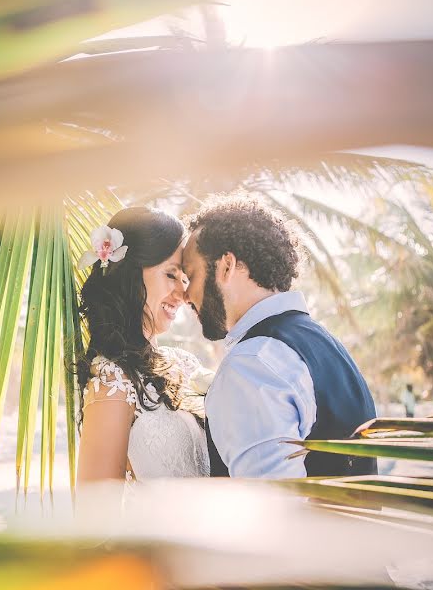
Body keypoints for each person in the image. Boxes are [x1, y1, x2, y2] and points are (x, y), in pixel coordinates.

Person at [181, 195, 377, 479]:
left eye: (191, 275)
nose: (186, 294)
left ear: (226, 266)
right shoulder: (327, 345)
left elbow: (272, 511)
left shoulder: (252, 363)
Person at [76, 207, 210, 484]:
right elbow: (96, 511)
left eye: (184, 279)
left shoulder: (185, 364)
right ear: (131, 274)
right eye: (171, 275)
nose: (183, 294)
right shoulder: (111, 381)